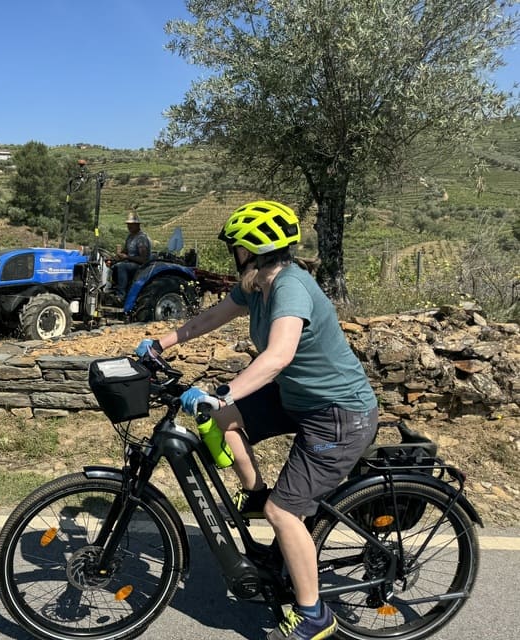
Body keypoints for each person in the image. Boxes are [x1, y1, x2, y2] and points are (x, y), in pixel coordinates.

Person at [137, 200, 377, 640]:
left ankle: (314, 615)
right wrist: (161, 342)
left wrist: (221, 392)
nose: (233, 256)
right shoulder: (256, 286)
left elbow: (278, 356)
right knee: (225, 422)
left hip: (339, 413)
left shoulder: (290, 288)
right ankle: (257, 497)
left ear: (249, 252)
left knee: (285, 512)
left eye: (235, 248)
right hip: (299, 398)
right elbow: (211, 317)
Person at [111, 212, 151, 301]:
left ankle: (121, 295)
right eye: (128, 225)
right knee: (114, 266)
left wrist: (127, 257)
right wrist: (115, 257)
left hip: (140, 266)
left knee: (121, 266)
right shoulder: (130, 237)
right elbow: (125, 251)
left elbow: (144, 259)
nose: (129, 227)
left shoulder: (141, 238)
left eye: (131, 225)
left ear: (137, 225)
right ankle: (112, 289)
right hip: (130, 262)